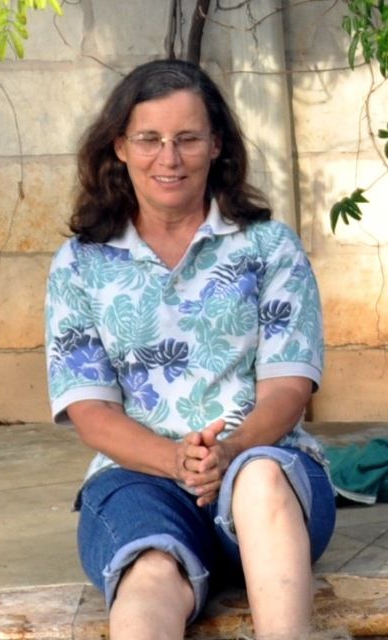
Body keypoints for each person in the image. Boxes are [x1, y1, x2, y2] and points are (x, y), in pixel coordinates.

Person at [45, 58, 336, 640]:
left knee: (259, 480)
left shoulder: (268, 248)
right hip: (138, 477)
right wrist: (175, 460)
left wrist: (230, 451)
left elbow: (288, 388)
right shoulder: (81, 263)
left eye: (188, 138)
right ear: (120, 146)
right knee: (150, 572)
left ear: (217, 144)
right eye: (149, 139)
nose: (169, 158)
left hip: (267, 468)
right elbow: (91, 409)